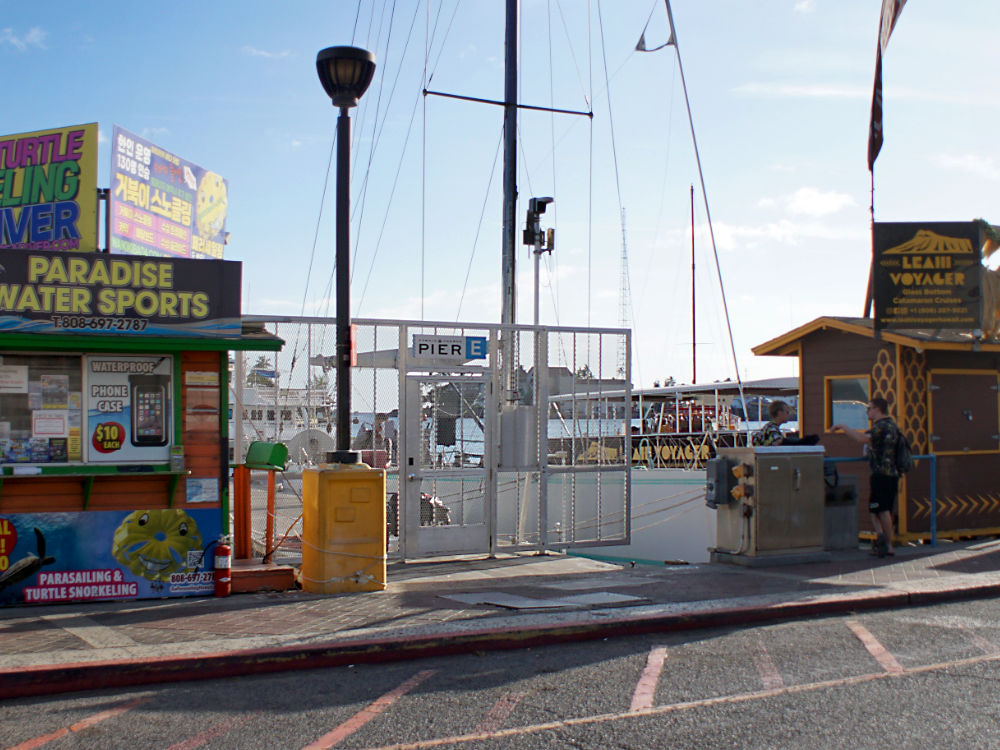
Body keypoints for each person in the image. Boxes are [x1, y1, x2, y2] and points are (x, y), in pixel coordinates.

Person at [829, 397, 899, 557]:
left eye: (869, 408)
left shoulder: (882, 426)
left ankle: (888, 545)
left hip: (882, 473)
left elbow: (862, 439)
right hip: (888, 473)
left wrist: (843, 426)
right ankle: (882, 540)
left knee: (882, 509)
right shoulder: (891, 425)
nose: (867, 411)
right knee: (875, 508)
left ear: (878, 409)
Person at [752, 400, 819, 446]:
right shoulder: (772, 428)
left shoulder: (770, 426)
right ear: (779, 413)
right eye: (787, 412)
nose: (789, 414)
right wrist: (800, 442)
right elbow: (778, 442)